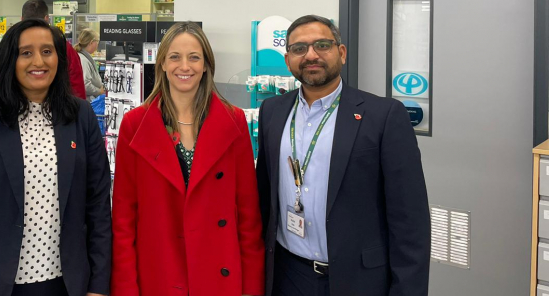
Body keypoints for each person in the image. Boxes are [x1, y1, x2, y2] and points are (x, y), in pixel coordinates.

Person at [0, 18, 111, 296]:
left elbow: (98, 204)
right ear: (10, 60)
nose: (38, 61)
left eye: (47, 51)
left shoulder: (80, 116)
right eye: (26, 52)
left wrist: (99, 284)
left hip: (66, 283)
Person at [256, 15, 430, 296]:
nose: (311, 55)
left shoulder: (383, 115)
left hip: (357, 280)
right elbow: (264, 197)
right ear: (288, 60)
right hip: (287, 276)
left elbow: (410, 220)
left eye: (322, 45)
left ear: (342, 52)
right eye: (299, 48)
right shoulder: (272, 111)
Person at [112, 21, 265, 296]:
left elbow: (248, 217)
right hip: (158, 272)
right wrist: (125, 288)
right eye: (175, 57)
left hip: (218, 274)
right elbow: (123, 220)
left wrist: (252, 288)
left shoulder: (234, 122)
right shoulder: (135, 125)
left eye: (194, 57)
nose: (185, 66)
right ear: (162, 64)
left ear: (206, 65)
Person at [21, 0, 87, 100]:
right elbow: (76, 85)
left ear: (21, 19)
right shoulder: (64, 47)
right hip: (57, 107)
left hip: (16, 108)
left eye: (46, 52)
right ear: (47, 18)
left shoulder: (10, 44)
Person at [73, 29, 104, 102]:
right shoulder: (83, 60)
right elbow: (85, 85)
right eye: (97, 42)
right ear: (91, 42)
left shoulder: (85, 56)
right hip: (87, 100)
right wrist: (99, 91)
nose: (97, 44)